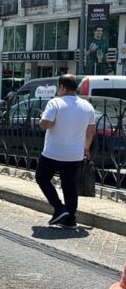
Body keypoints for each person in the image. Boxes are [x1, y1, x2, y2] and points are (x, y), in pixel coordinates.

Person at [35, 74, 95, 229]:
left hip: (53, 152)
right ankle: (70, 219)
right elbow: (90, 130)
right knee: (69, 185)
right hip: (75, 154)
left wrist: (41, 118)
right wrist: (86, 148)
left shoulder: (55, 102)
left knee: (42, 177)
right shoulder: (87, 106)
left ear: (62, 87)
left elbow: (45, 124)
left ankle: (59, 208)